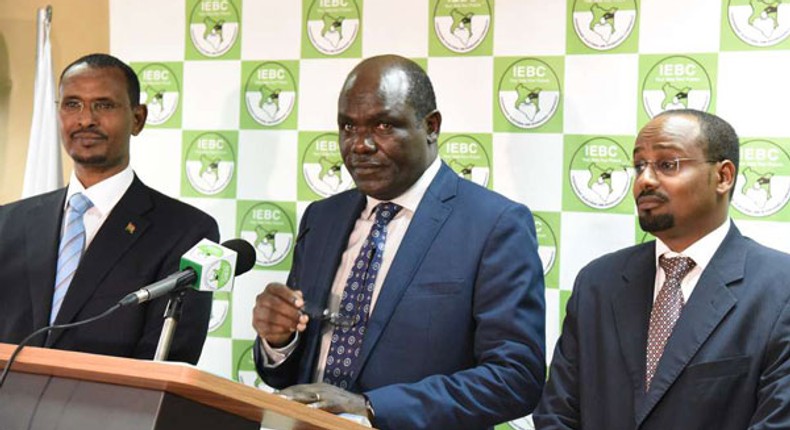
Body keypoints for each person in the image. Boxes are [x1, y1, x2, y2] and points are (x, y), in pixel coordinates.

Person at [251, 55, 546, 429]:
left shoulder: (494, 225)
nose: (360, 145)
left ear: (431, 127)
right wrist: (279, 341)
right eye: (348, 127)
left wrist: (370, 407)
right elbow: (288, 374)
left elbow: (514, 378)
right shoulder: (322, 219)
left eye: (383, 125)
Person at [534, 109, 790, 429]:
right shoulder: (598, 283)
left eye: (667, 165)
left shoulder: (779, 289)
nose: (645, 180)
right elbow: (557, 413)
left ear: (723, 176)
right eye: (640, 165)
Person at [0, 54, 218, 364]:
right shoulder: (8, 223)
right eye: (72, 104)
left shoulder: (187, 232)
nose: (85, 119)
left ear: (138, 119)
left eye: (104, 105)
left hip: (109, 410)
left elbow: (167, 361)